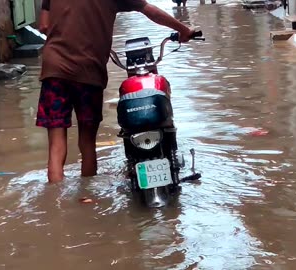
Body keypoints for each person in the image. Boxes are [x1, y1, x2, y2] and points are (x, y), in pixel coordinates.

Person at [37, 0, 196, 183]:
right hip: (88, 70)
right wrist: (184, 30)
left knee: (56, 146)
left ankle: (56, 202)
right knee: (87, 143)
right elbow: (150, 10)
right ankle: (88, 196)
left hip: (54, 69)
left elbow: (43, 25)